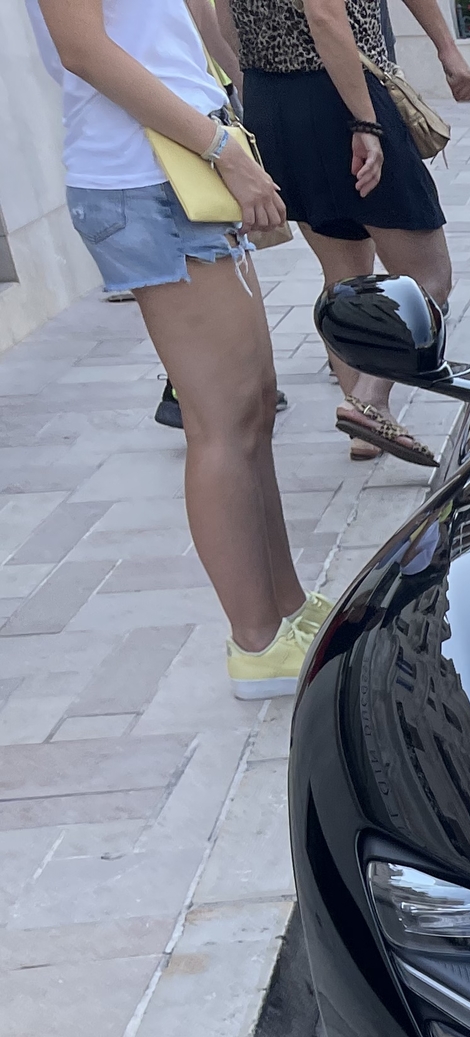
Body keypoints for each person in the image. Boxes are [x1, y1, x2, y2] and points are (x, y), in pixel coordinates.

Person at [29, 0, 328, 698]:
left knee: (252, 409)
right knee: (221, 422)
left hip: (178, 162)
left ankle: (285, 610)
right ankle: (255, 642)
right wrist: (220, 148)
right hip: (149, 176)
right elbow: (83, 49)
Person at [226, 0, 470, 467]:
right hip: (341, 91)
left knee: (343, 278)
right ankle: (370, 401)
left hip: (269, 99)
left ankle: (364, 428)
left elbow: (219, 21)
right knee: (429, 277)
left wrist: (257, 92)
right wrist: (365, 121)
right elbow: (324, 16)